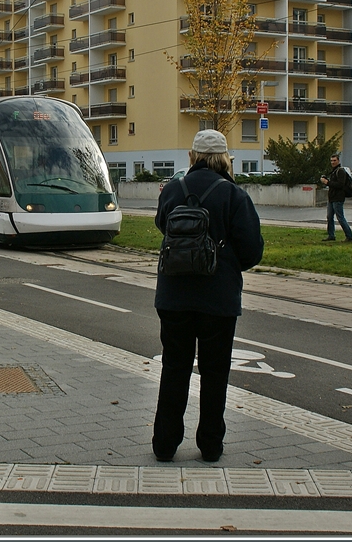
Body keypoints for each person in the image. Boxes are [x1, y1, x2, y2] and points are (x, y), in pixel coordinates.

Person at [153, 129, 263, 463]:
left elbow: (162, 226)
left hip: (174, 294)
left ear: (193, 156)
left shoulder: (173, 190)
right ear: (224, 158)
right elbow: (252, 250)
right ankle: (211, 444)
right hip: (218, 298)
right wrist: (226, 265)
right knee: (215, 372)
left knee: (175, 367)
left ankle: (165, 443)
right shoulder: (233, 195)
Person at [319, 154, 352, 242]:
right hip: (332, 197)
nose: (332, 162)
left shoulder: (340, 171)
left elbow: (340, 185)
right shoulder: (334, 171)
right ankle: (331, 235)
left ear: (338, 161)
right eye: (331, 161)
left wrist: (327, 183)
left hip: (338, 197)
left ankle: (350, 236)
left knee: (340, 218)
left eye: (334, 160)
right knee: (329, 217)